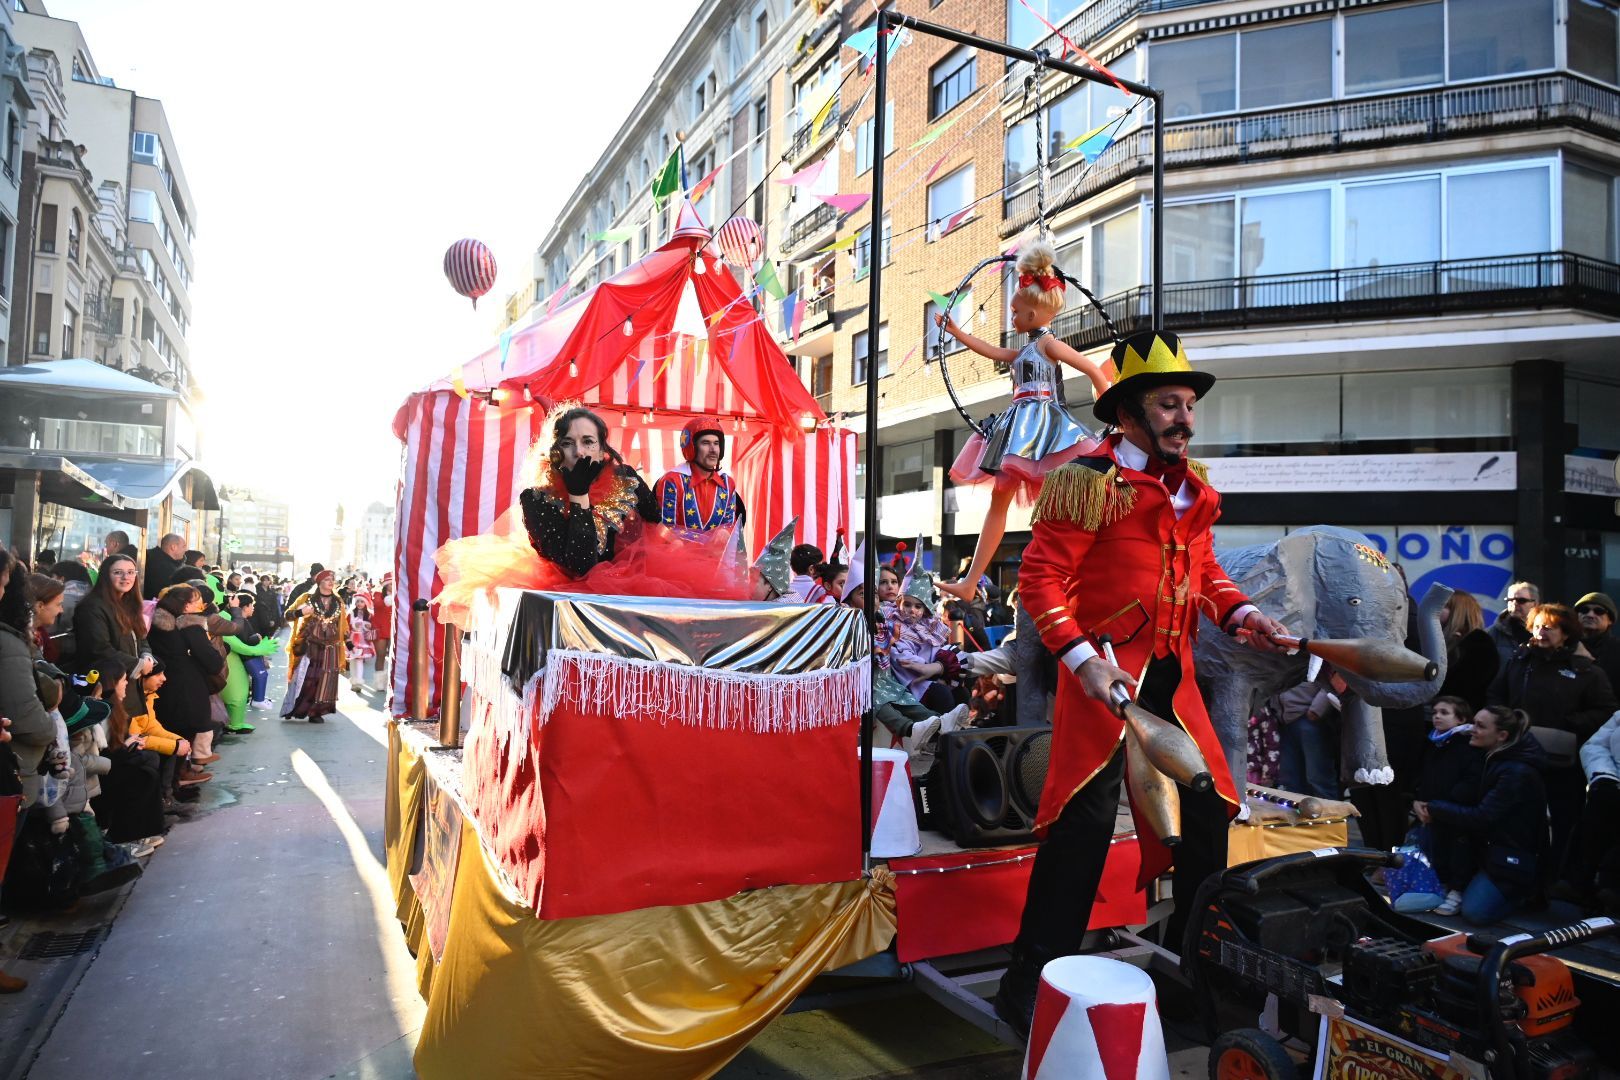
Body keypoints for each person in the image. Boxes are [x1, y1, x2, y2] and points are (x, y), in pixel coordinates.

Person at [997, 329, 1290, 1037]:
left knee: (1210, 816)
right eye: (1168, 403)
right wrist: (1080, 660)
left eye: (1188, 404)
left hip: (1172, 682)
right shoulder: (1085, 482)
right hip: (1103, 678)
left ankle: (1199, 983)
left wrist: (1243, 611)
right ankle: (1031, 985)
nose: (1184, 417)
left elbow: (1205, 572)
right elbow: (1039, 581)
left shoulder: (1197, 492)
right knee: (1082, 830)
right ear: (1128, 414)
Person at [934, 238, 1113, 602]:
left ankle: (1077, 570)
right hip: (1019, 428)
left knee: (1059, 501)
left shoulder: (1048, 344)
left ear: (1032, 315)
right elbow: (995, 351)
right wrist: (958, 334)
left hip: (1044, 426)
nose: (1012, 318)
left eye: (1015, 313)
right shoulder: (1028, 348)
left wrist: (1105, 395)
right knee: (1000, 501)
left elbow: (1091, 367)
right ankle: (971, 582)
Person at [1486, 601, 1617, 880]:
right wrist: (1507, 720)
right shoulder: (1519, 660)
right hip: (1518, 753)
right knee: (1516, 816)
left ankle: (1554, 879)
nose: (1541, 632)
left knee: (1561, 821)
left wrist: (1569, 723)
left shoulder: (1586, 670)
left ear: (1566, 633)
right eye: (1537, 626)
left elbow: (1606, 710)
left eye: (1549, 627)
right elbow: (1495, 694)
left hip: (1561, 762)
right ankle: (1514, 876)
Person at [1416, 706, 1548, 924]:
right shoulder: (1488, 754)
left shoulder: (1516, 772)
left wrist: (1435, 808)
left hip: (1508, 854)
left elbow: (1482, 816)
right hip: (1481, 846)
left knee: (1476, 912)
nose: (1471, 729)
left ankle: (1524, 893)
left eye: (1480, 726)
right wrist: (1422, 802)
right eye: (1473, 723)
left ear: (1502, 736)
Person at [520, 407, 660, 579]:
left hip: (634, 587)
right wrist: (578, 494)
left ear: (602, 450)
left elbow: (658, 522)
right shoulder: (536, 498)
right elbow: (581, 566)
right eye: (567, 442)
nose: (579, 451)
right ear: (555, 452)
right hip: (568, 596)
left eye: (588, 441)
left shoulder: (626, 478)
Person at [1408, 695, 1487, 915]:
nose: (1437, 717)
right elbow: (1423, 776)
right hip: (1430, 808)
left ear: (1461, 719)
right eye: (1434, 713)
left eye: (1444, 713)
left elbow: (1469, 782)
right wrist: (1418, 801)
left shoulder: (1467, 746)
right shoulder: (1433, 742)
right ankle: (1438, 885)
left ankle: (1457, 889)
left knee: (1457, 850)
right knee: (1432, 848)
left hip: (1452, 809)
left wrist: (1439, 806)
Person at [147, 586, 224, 777]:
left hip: (163, 686)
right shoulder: (190, 625)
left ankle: (173, 781)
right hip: (186, 689)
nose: (201, 604)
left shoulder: (157, 622)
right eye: (197, 600)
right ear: (186, 605)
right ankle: (176, 782)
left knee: (169, 732)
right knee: (184, 732)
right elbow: (213, 662)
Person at [1551, 707, 1620, 914]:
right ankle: (1585, 887)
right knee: (1593, 835)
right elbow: (1595, 745)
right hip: (1610, 789)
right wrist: (1604, 776)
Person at [73, 552, 153, 717]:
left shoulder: (128, 604)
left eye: (131, 572)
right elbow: (99, 648)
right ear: (106, 576)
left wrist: (147, 656)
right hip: (107, 688)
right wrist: (138, 664)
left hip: (129, 686)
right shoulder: (92, 607)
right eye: (118, 572)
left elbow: (141, 637)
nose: (126, 577)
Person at [653, 416, 746, 538]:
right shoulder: (673, 481)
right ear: (692, 447)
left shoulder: (728, 484)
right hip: (678, 553)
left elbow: (729, 525)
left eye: (716, 443)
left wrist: (725, 533)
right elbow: (666, 527)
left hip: (716, 555)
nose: (713, 450)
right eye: (705, 443)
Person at [282, 570, 349, 722]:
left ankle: (316, 712)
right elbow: (288, 614)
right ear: (319, 583)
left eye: (332, 579)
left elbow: (343, 625)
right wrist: (301, 612)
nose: (331, 582)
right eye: (327, 579)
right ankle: (294, 708)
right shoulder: (308, 598)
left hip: (331, 647)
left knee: (326, 679)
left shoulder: (338, 602)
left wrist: (348, 641)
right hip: (310, 644)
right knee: (305, 677)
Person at [1275, 667, 1347, 800]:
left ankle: (1332, 818)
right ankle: (1300, 819)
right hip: (1284, 720)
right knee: (1291, 782)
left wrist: (1317, 709)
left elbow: (1338, 674)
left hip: (1310, 718)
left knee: (1319, 779)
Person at [222, 593, 277, 732]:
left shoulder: (241, 621)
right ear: (245, 607)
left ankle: (239, 719)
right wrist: (257, 640)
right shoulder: (235, 621)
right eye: (252, 605)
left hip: (245, 658)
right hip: (246, 658)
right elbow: (243, 642)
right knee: (259, 676)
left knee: (251, 683)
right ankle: (258, 700)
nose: (253, 608)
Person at [1437, 591, 1498, 713]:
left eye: (1444, 606)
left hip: (1462, 715)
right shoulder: (1442, 637)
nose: (1438, 610)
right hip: (1444, 712)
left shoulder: (1479, 643)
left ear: (1458, 612)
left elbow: (1465, 684)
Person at [1574, 592, 1620, 694]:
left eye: (1599, 611)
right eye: (1584, 610)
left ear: (1610, 620)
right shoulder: (1563, 646)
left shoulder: (1617, 649)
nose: (1590, 615)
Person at [1488, 581, 1538, 665]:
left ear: (1535, 604)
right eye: (1510, 600)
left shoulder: (1546, 631)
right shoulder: (1494, 633)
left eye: (1521, 600)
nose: (1514, 604)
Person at [143, 533, 187, 600]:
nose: (185, 550)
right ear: (173, 547)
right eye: (184, 546)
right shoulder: (159, 565)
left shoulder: (152, 556)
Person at [348, 595, 376, 693]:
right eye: (358, 601)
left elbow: (371, 627)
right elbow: (349, 626)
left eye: (362, 601)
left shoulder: (369, 614)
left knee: (359, 660)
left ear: (365, 603)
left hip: (363, 639)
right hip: (352, 639)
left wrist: (368, 626)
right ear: (355, 603)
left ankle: (358, 683)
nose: (359, 603)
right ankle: (353, 681)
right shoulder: (351, 613)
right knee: (352, 660)